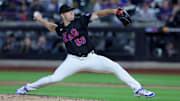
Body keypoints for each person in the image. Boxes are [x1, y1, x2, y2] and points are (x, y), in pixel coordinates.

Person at [15, 4, 155, 98]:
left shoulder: (81, 20)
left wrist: (113, 11)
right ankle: (26, 88)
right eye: (69, 11)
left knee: (115, 67)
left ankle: (138, 89)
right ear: (63, 15)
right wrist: (40, 19)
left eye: (72, 11)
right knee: (54, 78)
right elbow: (51, 26)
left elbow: (99, 14)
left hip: (91, 58)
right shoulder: (61, 28)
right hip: (73, 60)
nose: (72, 12)